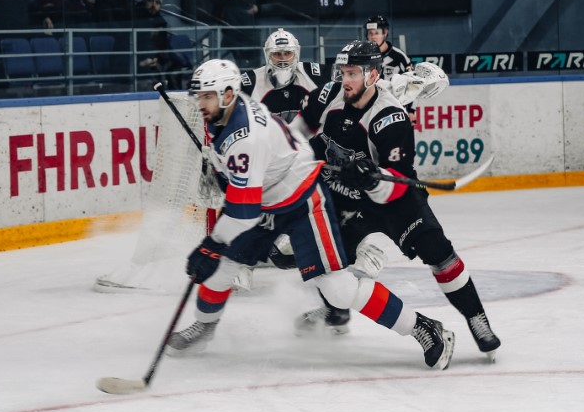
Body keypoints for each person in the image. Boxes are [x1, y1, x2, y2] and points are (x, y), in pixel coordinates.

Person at [165, 58, 455, 370]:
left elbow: (244, 210)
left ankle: (423, 326)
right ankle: (204, 328)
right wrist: (221, 170)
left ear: (226, 94)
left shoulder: (245, 137)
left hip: (302, 201)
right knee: (223, 267)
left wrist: (212, 243)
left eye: (206, 96)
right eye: (200, 96)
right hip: (268, 198)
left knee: (338, 289)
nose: (200, 103)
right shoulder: (226, 112)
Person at [289, 40, 501, 357]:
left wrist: (370, 178)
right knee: (316, 258)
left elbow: (397, 183)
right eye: (343, 72)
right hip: (347, 197)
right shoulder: (330, 94)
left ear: (373, 75)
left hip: (395, 200)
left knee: (437, 251)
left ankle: (476, 318)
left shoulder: (391, 116)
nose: (345, 80)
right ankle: (337, 311)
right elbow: (300, 129)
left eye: (353, 73)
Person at [239, 28, 325, 122]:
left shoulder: (314, 74)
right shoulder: (251, 82)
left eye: (288, 53)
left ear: (296, 53)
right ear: (268, 55)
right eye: (277, 54)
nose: (283, 59)